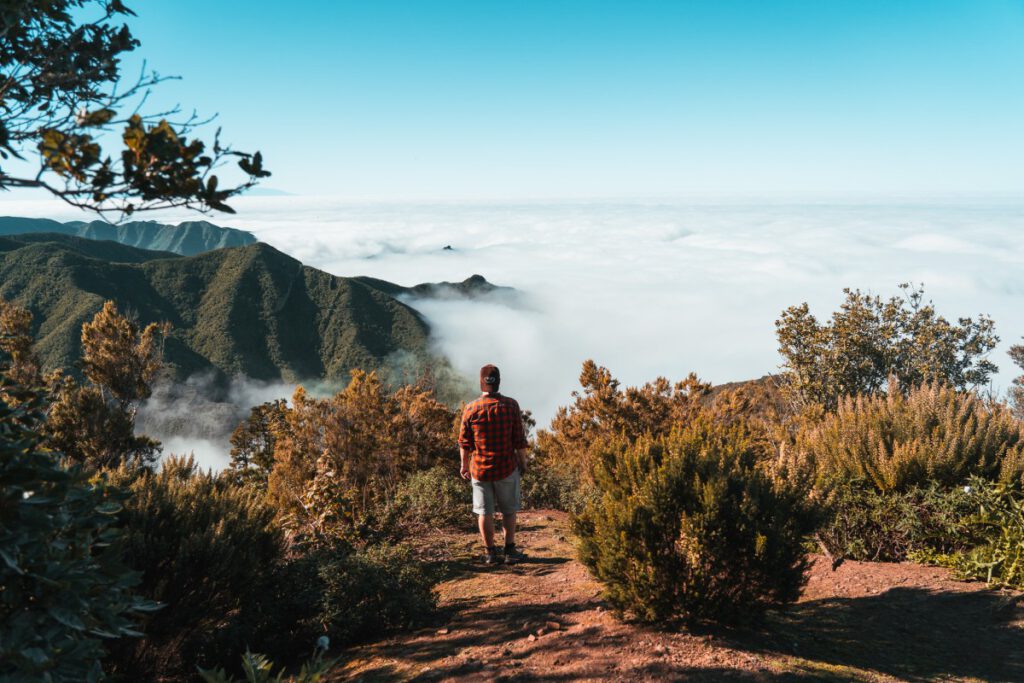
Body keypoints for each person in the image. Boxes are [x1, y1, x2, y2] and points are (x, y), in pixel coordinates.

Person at [458, 364, 529, 565]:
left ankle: (490, 553)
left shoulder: (471, 408)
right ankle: (510, 550)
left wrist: (464, 465)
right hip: (506, 467)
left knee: (484, 512)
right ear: (498, 381)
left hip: (480, 470)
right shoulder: (511, 405)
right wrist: (523, 462)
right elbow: (519, 440)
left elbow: (464, 443)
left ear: (481, 382)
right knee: (508, 511)